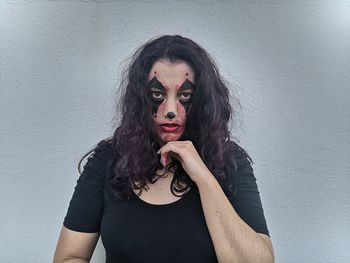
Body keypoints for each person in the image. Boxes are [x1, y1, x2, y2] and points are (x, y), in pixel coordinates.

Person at [53, 35, 274, 263]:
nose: (170, 110)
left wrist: (204, 178)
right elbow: (69, 257)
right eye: (157, 95)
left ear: (202, 101)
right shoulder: (108, 161)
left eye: (185, 96)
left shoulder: (229, 161)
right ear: (140, 99)